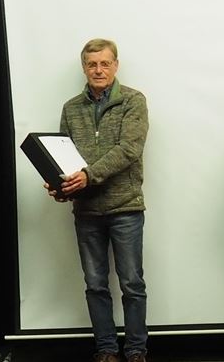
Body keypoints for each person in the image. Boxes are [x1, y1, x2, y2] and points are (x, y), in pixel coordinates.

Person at [47, 38, 150, 362]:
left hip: (126, 208)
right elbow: (64, 156)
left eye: (105, 63)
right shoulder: (71, 108)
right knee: (95, 285)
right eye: (92, 64)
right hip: (87, 211)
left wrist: (88, 176)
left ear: (115, 65)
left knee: (132, 284)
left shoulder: (133, 101)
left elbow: (129, 150)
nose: (98, 69)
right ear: (84, 67)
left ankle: (136, 350)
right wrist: (60, 186)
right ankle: (106, 349)